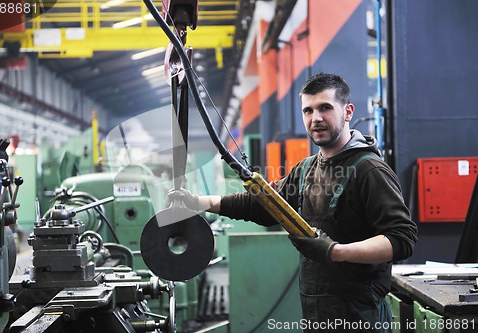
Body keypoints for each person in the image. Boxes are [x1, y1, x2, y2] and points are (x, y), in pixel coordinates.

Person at [169, 73, 417, 332]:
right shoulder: (306, 170)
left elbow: (402, 238)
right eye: (308, 110)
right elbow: (263, 206)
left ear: (348, 112)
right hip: (316, 312)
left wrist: (336, 252)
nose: (316, 118)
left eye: (325, 108)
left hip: (361, 316)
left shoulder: (369, 170)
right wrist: (197, 201)